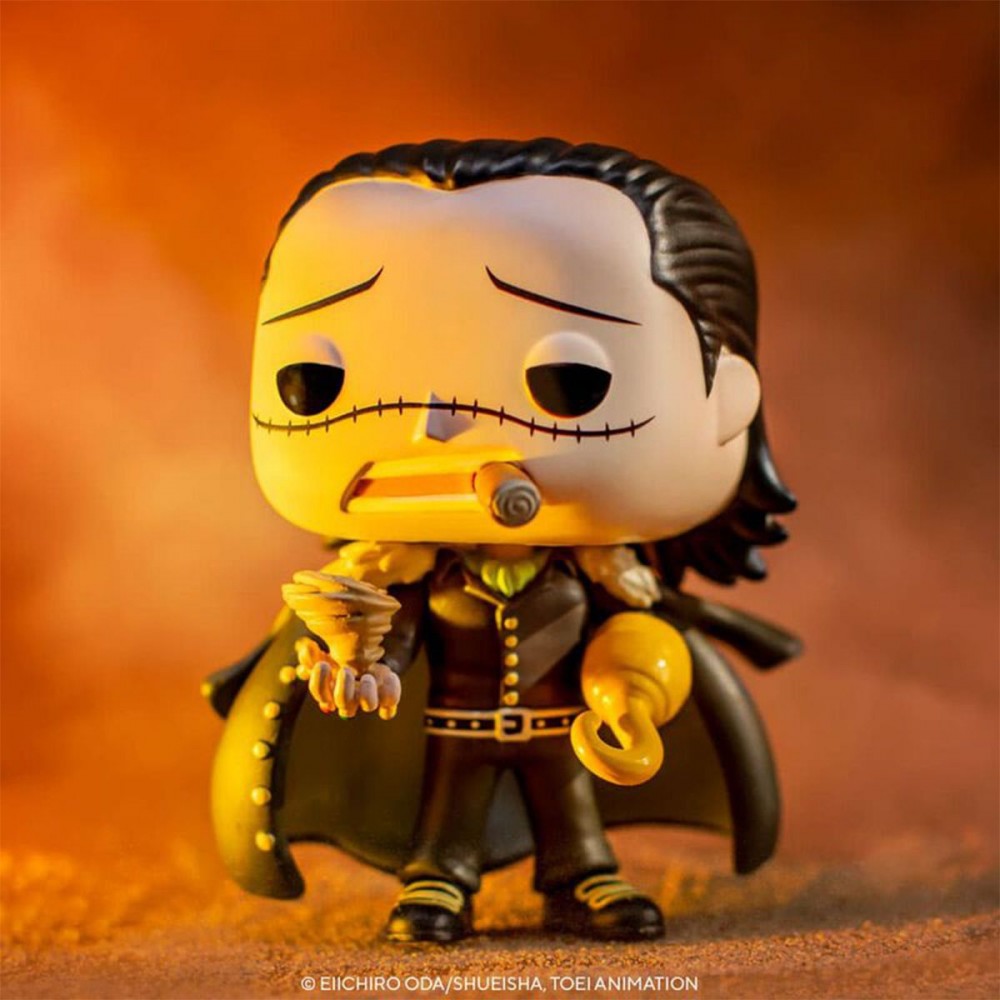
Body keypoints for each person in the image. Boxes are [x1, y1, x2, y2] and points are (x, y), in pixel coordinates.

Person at [205, 138, 799, 943]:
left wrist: (631, 693)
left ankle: (582, 873)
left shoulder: (603, 573)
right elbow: (395, 638)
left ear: (726, 398)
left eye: (571, 381)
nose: (432, 429)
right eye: (314, 383)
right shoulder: (412, 569)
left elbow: (637, 639)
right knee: (449, 807)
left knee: (570, 803)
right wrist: (366, 663)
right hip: (459, 728)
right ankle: (438, 878)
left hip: (560, 728)